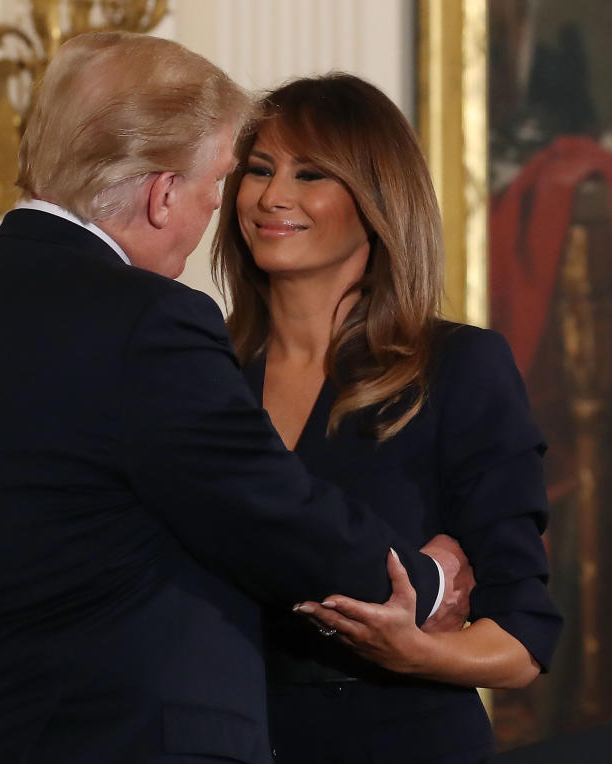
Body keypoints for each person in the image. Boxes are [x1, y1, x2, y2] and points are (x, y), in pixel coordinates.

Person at [0, 34, 472, 763]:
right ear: (163, 194)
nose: (216, 218)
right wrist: (423, 581)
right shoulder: (146, 321)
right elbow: (269, 511)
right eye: (218, 186)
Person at [209, 73, 562, 762]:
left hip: (403, 740)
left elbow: (521, 642)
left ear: (376, 200)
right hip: (224, 739)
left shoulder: (458, 368)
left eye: (310, 173)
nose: (271, 196)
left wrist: (414, 651)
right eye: (257, 169)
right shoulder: (197, 376)